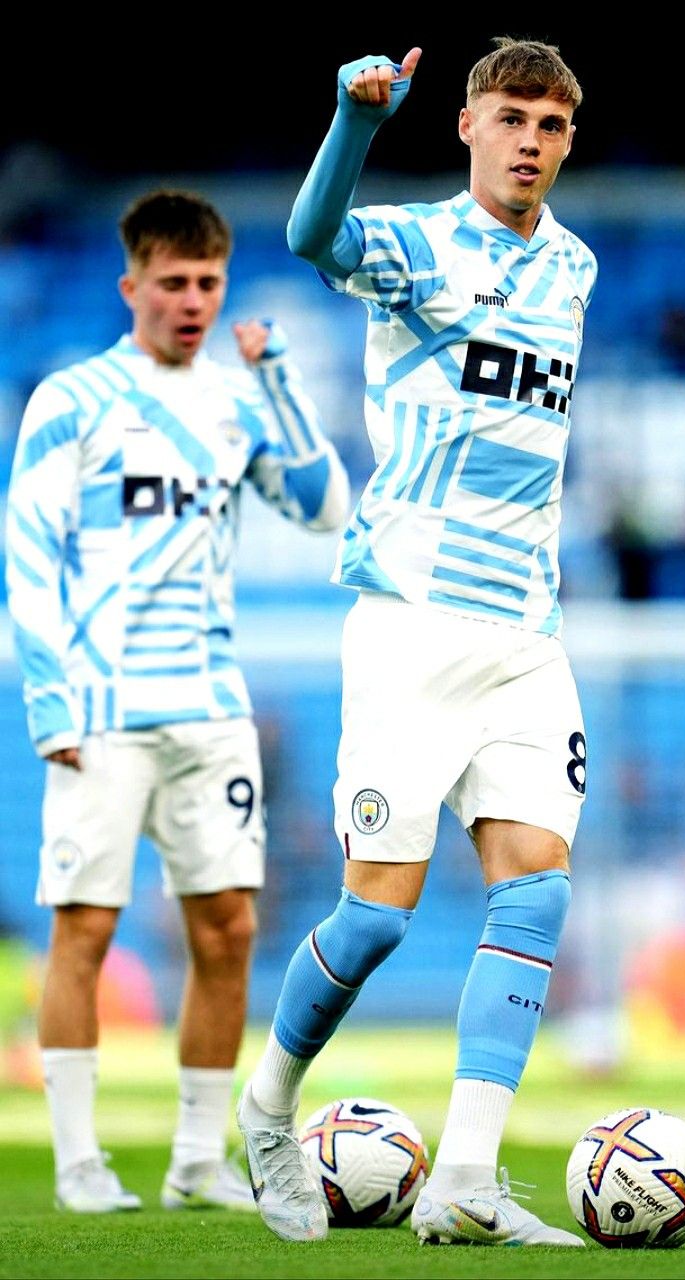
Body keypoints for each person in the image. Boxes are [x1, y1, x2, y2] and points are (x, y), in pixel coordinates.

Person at [237, 38, 596, 1247]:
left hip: (526, 637)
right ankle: (271, 1102)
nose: (532, 141)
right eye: (512, 117)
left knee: (534, 893)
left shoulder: (578, 268)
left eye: (551, 123)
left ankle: (469, 1181)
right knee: (379, 915)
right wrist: (351, 121)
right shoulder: (416, 242)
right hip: (408, 625)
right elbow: (307, 240)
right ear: (468, 126)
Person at [4, 189, 350, 1213]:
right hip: (101, 706)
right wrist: (50, 698)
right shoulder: (72, 397)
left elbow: (328, 506)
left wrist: (281, 380)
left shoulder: (238, 402)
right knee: (85, 928)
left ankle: (199, 1162)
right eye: (173, 284)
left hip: (210, 705)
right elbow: (26, 548)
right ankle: (78, 1164)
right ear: (132, 286)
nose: (193, 301)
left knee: (230, 929)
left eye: (207, 283)